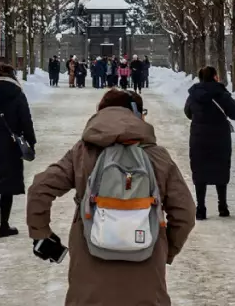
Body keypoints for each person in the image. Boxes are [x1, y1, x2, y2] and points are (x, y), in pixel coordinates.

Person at [26, 89, 196, 306]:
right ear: (137, 114)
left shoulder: (82, 152)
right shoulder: (157, 156)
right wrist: (165, 250)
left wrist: (41, 233)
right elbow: (186, 213)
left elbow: (40, 188)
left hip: (89, 262)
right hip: (146, 260)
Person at [0, 64, 36, 239]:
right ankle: (4, 226)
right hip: (11, 144)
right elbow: (26, 119)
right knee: (8, 186)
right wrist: (30, 142)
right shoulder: (17, 93)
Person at [184, 66, 235, 220]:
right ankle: (222, 206)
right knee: (221, 168)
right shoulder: (221, 93)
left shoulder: (194, 95)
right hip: (220, 137)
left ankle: (201, 208)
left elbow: (188, 112)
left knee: (199, 169)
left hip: (199, 137)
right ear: (215, 77)